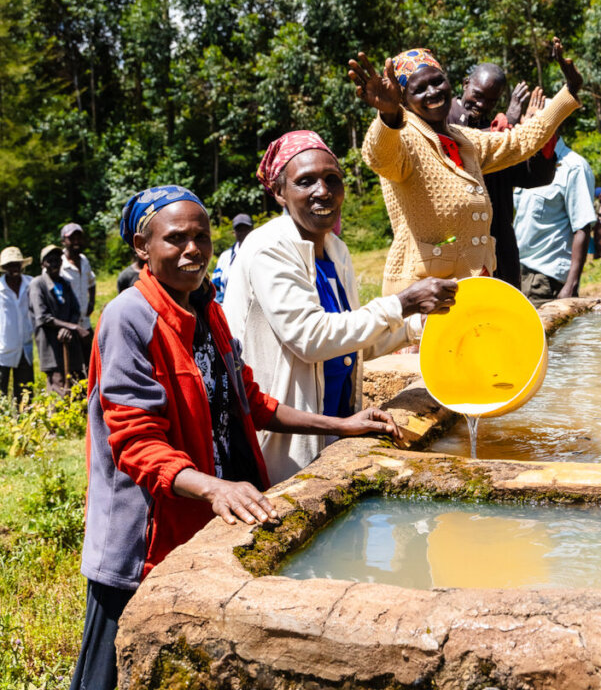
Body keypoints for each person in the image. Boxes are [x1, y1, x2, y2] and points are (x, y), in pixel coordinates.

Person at [70, 184, 399, 690]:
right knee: (109, 675)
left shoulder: (208, 309)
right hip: (145, 539)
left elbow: (249, 401)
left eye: (201, 237)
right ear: (142, 247)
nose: (192, 250)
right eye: (175, 239)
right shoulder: (128, 318)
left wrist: (341, 426)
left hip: (203, 522)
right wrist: (214, 487)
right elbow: (136, 442)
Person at [224, 131, 457, 483]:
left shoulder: (335, 250)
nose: (323, 191)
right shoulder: (268, 248)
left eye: (333, 179)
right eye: (306, 182)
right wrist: (402, 302)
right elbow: (311, 339)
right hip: (282, 440)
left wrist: (418, 324)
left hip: (334, 424)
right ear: (279, 193)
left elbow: (351, 341)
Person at [348, 38, 583, 294]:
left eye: (437, 81)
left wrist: (568, 91)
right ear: (404, 100)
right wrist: (388, 115)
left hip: (476, 287)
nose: (433, 92)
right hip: (425, 298)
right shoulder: (403, 138)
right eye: (419, 89)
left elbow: (519, 141)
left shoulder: (462, 139)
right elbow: (378, 157)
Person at [448, 65, 557, 288]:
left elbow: (532, 177)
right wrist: (507, 125)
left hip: (499, 247)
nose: (481, 105)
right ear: (465, 84)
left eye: (490, 100)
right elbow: (457, 148)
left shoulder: (495, 126)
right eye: (477, 95)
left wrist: (539, 132)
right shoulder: (446, 115)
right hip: (456, 251)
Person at [513, 137, 597, 307]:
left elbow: (582, 228)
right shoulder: (526, 162)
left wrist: (571, 286)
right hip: (518, 275)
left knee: (544, 334)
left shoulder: (573, 167)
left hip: (545, 281)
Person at [29, 245, 87, 395]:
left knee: (76, 384)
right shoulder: (37, 284)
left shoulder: (64, 283)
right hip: (51, 347)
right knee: (58, 387)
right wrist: (73, 327)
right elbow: (42, 317)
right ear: (43, 264)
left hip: (70, 343)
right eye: (50, 261)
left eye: (57, 260)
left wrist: (67, 328)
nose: (55, 264)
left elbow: (76, 310)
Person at [0, 246, 34, 404]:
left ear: (22, 265)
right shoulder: (0, 289)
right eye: (10, 265)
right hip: (3, 348)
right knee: (1, 391)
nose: (14, 268)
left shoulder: (31, 284)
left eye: (16, 264)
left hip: (25, 346)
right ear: (4, 268)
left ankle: (25, 422)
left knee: (25, 392)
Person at [60, 223, 96, 367]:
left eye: (78, 238)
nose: (76, 242)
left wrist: (92, 302)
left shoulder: (84, 260)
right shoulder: (58, 265)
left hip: (85, 322)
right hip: (69, 325)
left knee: (91, 362)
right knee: (73, 367)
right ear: (63, 241)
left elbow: (91, 282)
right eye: (71, 238)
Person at [211, 213, 253, 304]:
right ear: (234, 232)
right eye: (239, 230)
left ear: (252, 230)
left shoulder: (261, 254)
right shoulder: (225, 257)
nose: (243, 233)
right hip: (228, 311)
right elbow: (215, 287)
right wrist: (223, 306)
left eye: (246, 229)